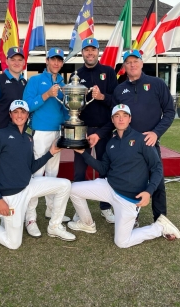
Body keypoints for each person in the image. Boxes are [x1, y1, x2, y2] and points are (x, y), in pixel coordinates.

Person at [0, 100, 76, 249]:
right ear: (10, 114)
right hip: (11, 195)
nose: (19, 115)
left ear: (28, 115)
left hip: (29, 186)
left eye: (22, 112)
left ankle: (54, 226)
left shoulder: (28, 138)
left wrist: (50, 153)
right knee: (13, 243)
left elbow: (30, 167)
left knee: (64, 185)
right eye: (15, 112)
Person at [67, 104, 180, 248]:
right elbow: (104, 168)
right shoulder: (111, 143)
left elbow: (157, 168)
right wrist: (83, 153)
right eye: (117, 116)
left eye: (124, 115)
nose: (121, 119)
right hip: (109, 187)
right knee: (72, 189)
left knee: (121, 242)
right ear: (112, 120)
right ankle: (87, 223)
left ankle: (159, 227)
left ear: (130, 119)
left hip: (127, 199)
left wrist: (149, 191)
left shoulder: (141, 139)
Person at [111, 50, 178, 232]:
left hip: (149, 142)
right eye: (128, 62)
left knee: (157, 182)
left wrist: (156, 133)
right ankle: (132, 217)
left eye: (135, 61)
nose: (132, 65)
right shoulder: (119, 89)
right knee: (131, 181)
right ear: (124, 67)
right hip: (128, 144)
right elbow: (116, 116)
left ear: (141, 63)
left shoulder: (156, 84)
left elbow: (170, 112)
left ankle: (161, 221)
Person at [22, 47, 71, 238]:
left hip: (58, 131)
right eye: (53, 60)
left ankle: (51, 209)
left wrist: (72, 118)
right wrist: (47, 94)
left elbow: (65, 109)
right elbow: (27, 105)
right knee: (36, 172)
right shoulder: (35, 80)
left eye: (59, 60)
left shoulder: (63, 82)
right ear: (47, 61)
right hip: (40, 131)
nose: (56, 63)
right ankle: (30, 217)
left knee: (52, 172)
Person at [73, 38, 119, 223]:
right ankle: (79, 207)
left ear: (98, 52)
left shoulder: (108, 72)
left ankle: (105, 207)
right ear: (82, 53)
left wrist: (102, 97)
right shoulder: (76, 74)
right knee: (79, 171)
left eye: (93, 50)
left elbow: (116, 103)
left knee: (105, 170)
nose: (90, 53)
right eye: (86, 50)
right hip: (82, 130)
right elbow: (74, 107)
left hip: (104, 130)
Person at [0, 47, 27, 140]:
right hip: (0, 134)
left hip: (19, 135)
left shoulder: (25, 83)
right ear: (7, 61)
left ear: (24, 62)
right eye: (13, 60)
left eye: (20, 60)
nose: (16, 63)